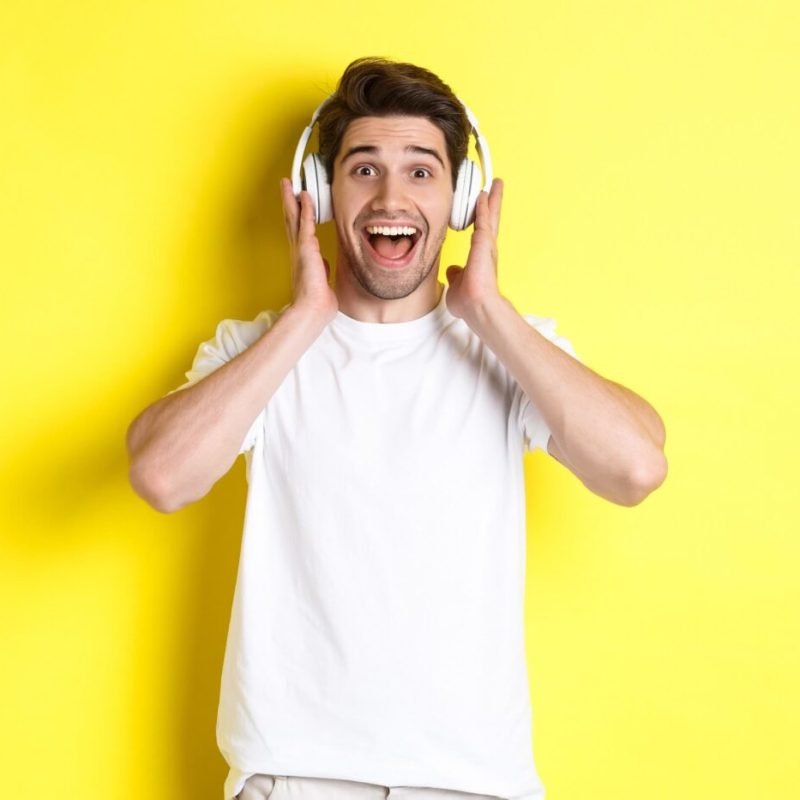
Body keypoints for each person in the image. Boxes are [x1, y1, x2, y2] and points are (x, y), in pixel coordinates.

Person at [126, 57, 667, 800]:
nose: (390, 196)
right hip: (296, 780)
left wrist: (489, 311)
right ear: (320, 194)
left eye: (421, 172)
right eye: (363, 169)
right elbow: (160, 476)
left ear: (462, 198)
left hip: (473, 786)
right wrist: (306, 318)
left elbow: (637, 467)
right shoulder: (258, 351)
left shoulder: (509, 349)